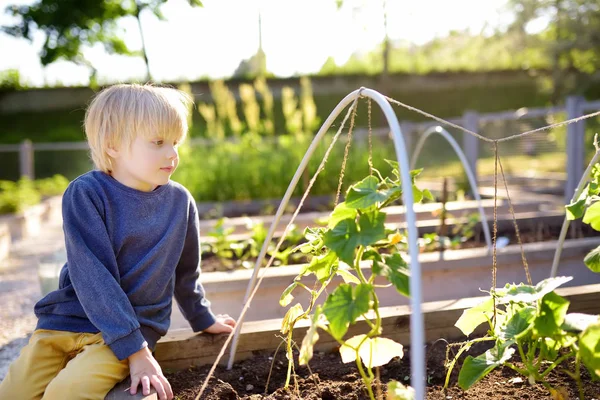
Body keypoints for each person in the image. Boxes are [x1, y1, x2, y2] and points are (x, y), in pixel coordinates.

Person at [0, 83, 236, 400]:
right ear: (113, 146)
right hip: (67, 321)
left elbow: (185, 273)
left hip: (132, 330)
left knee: (65, 393)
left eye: (175, 142)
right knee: (14, 393)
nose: (172, 153)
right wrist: (137, 353)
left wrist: (202, 319)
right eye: (158, 142)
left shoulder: (180, 202)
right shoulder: (86, 194)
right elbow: (92, 275)